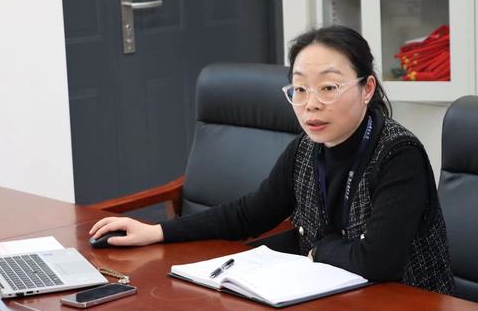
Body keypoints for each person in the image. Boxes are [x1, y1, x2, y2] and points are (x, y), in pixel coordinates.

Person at [90, 25, 455, 295]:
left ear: (367, 88)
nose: (311, 104)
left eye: (329, 88)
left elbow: (377, 262)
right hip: (329, 302)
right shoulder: (306, 149)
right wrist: (157, 231)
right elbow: (250, 214)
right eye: (300, 89)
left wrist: (318, 249)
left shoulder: (397, 155)